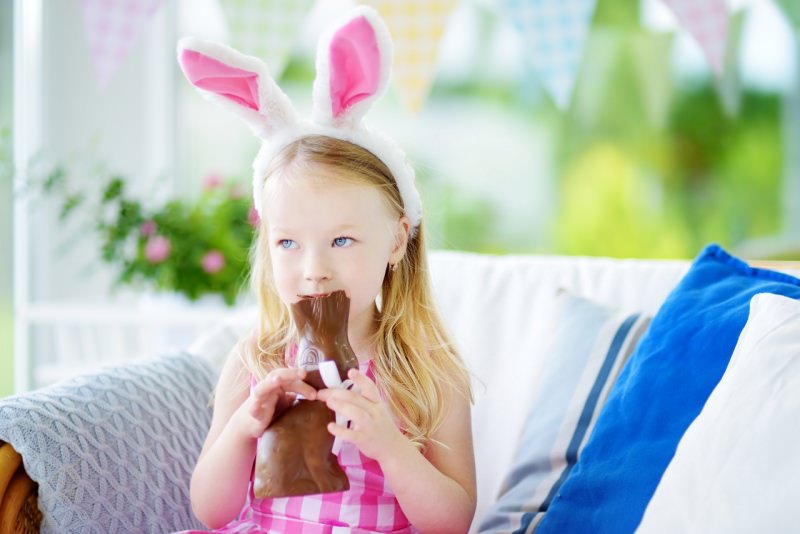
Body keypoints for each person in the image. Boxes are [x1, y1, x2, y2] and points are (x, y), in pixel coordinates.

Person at [176, 6, 475, 533]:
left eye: (341, 240)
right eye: (288, 242)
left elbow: (453, 523)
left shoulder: (428, 372)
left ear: (397, 239)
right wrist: (246, 429)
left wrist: (391, 449)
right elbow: (210, 509)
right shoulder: (256, 361)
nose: (314, 270)